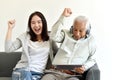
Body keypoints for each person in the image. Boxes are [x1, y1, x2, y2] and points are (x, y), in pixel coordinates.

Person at [41, 8, 99, 80]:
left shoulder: (91, 41)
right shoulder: (66, 34)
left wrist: (85, 67)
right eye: (75, 29)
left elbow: (93, 58)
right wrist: (63, 17)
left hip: (73, 76)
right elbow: (53, 35)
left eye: (81, 31)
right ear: (72, 28)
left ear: (87, 30)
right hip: (55, 72)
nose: (77, 34)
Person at [5, 11, 57, 80]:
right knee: (26, 74)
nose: (36, 25)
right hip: (22, 71)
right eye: (33, 23)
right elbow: (8, 49)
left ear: (43, 23)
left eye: (39, 22)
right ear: (30, 25)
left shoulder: (50, 38)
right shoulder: (25, 37)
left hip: (38, 74)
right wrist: (10, 29)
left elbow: (58, 52)